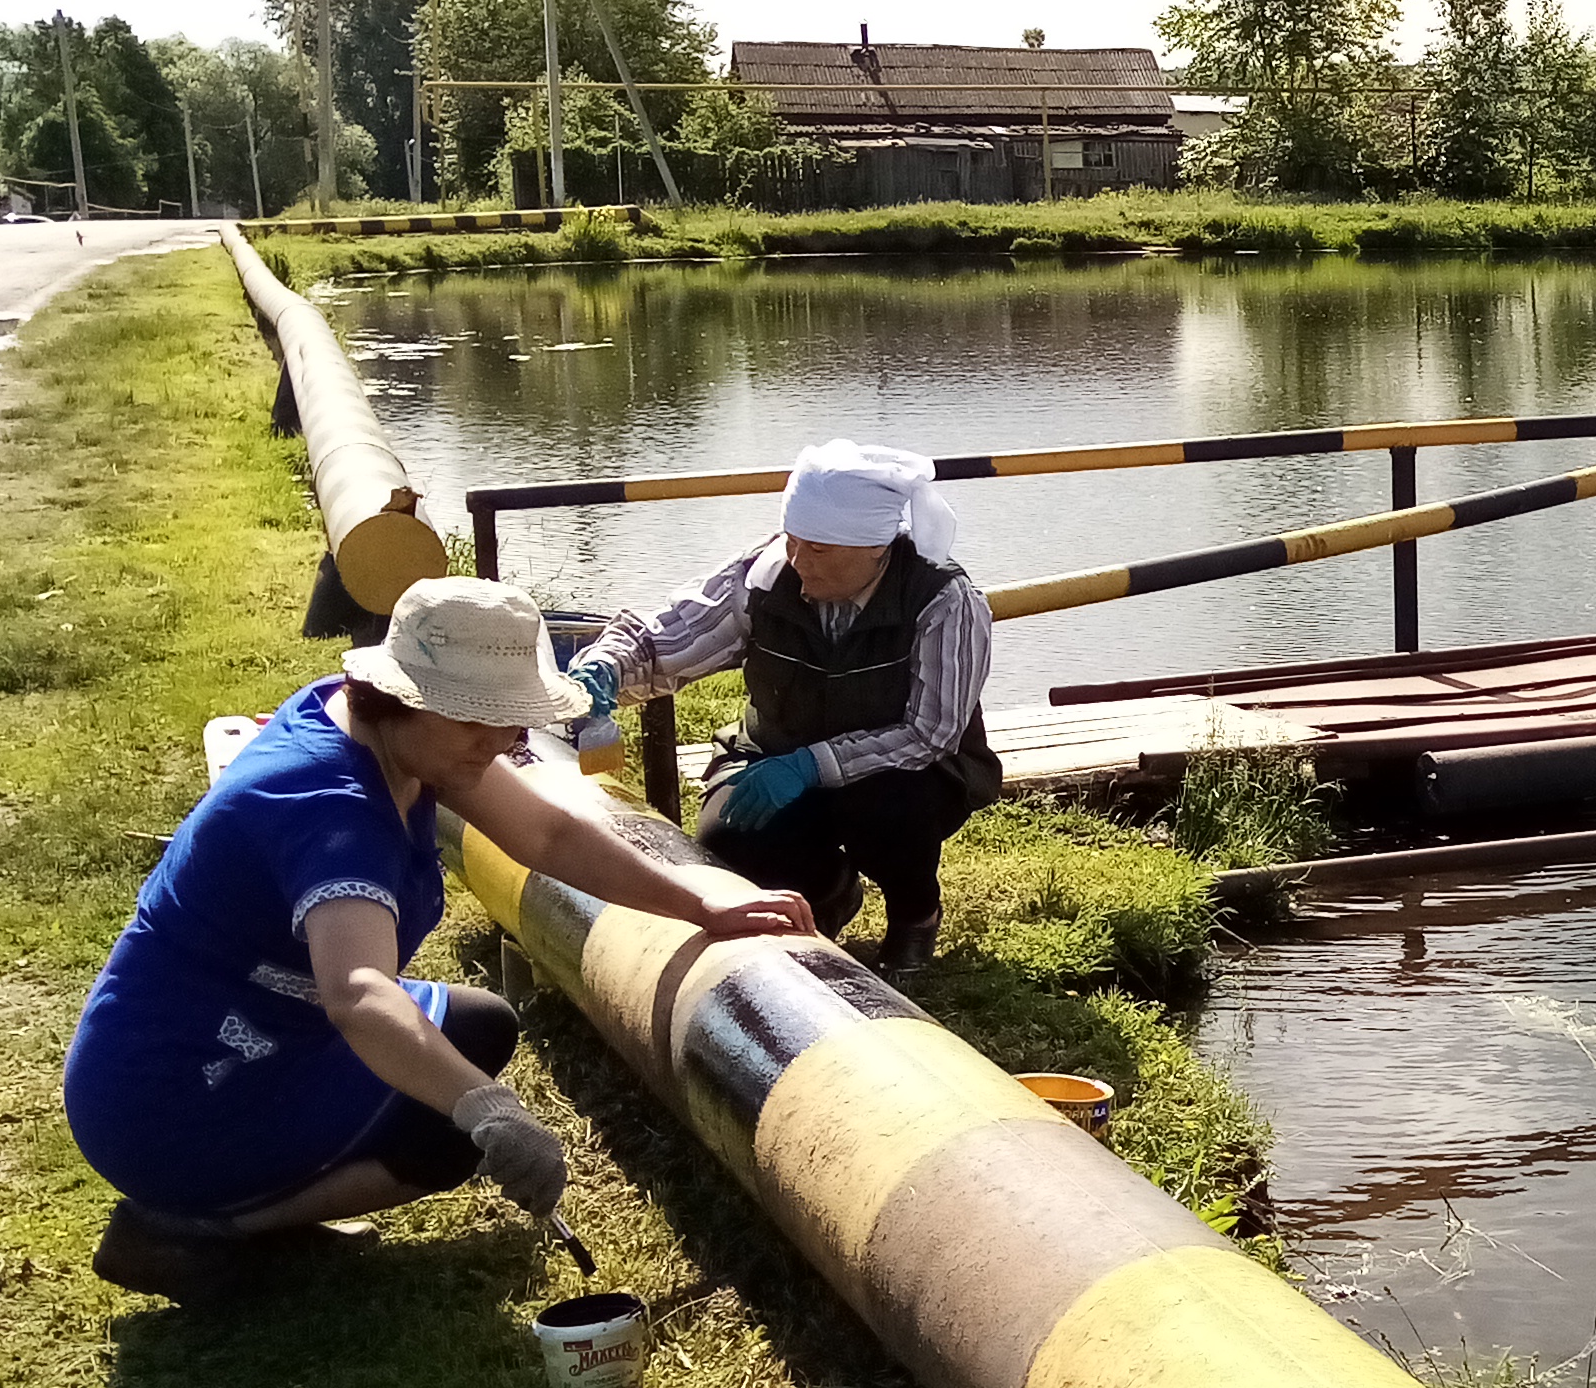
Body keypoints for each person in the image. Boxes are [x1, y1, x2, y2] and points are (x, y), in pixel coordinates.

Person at [68, 578, 814, 1304]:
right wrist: (489, 1108)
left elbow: (548, 834)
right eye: (477, 721)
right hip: (182, 1087)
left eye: (511, 720)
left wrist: (700, 906)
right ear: (403, 699)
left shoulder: (389, 737)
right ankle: (191, 1226)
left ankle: (252, 1196)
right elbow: (358, 993)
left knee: (479, 1026)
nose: (503, 741)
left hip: (264, 1031)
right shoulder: (328, 807)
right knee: (452, 1132)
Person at [568, 438, 1002, 975]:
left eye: (818, 550)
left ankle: (914, 913)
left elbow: (930, 734)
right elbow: (671, 638)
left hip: (902, 772)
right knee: (727, 836)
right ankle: (830, 889)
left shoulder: (945, 601)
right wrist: (608, 665)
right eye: (792, 542)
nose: (798, 562)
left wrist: (812, 766)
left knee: (892, 811)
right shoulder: (765, 575)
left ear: (873, 547)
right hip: (776, 751)